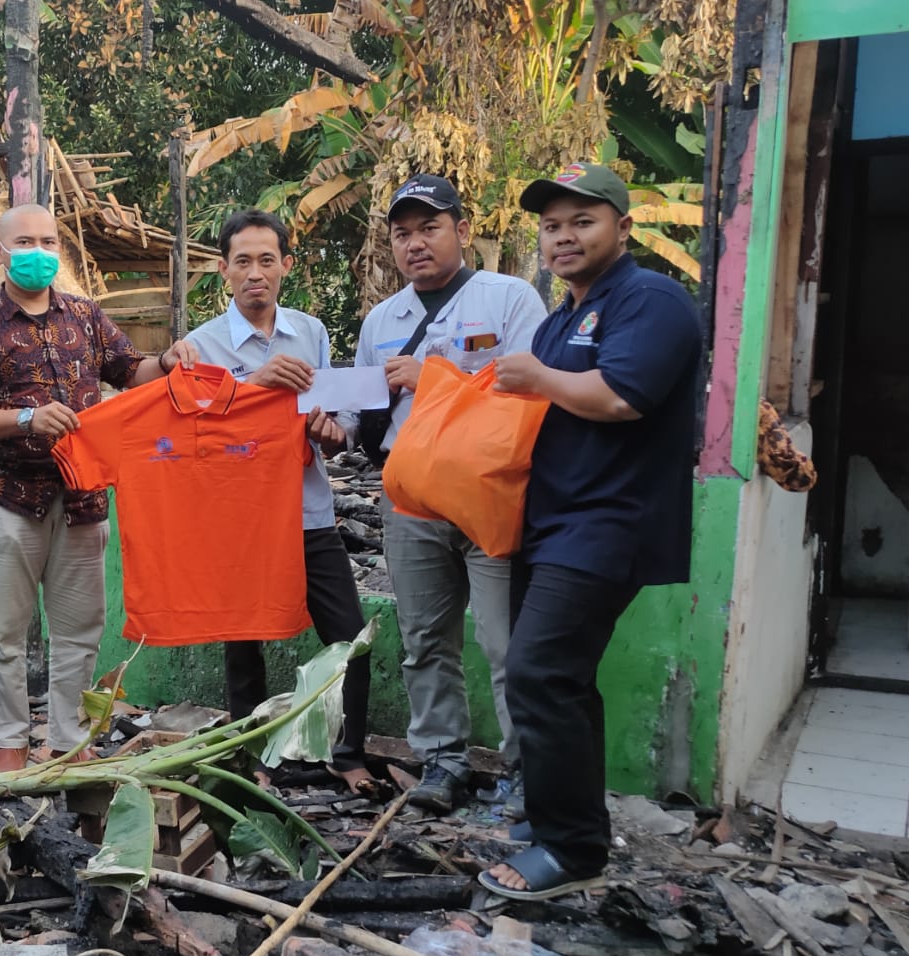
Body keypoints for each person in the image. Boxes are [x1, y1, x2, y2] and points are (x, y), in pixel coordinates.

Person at [481, 162, 700, 900]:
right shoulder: (561, 317)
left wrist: (536, 378)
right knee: (552, 676)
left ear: (623, 227)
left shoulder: (652, 301)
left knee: (543, 672)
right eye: (551, 225)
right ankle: (553, 818)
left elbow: (620, 399)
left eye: (583, 220)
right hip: (551, 523)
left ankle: (572, 850)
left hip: (610, 522)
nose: (564, 236)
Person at [0, 203, 198, 774]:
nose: (39, 252)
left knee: (80, 629)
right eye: (25, 242)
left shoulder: (84, 316)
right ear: (0, 253)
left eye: (48, 241)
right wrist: (27, 419)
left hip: (82, 497)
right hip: (7, 496)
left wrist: (168, 359)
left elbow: (130, 370)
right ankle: (9, 743)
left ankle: (67, 741)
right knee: (7, 632)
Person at [347, 176, 545, 814]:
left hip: (491, 497)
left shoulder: (510, 299)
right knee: (424, 640)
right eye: (402, 234)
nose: (415, 244)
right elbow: (362, 414)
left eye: (429, 228)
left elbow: (531, 393)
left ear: (462, 229)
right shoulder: (382, 320)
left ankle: (525, 772)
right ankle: (442, 761)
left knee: (505, 641)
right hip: (410, 504)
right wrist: (330, 423)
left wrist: (435, 378)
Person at [184, 208, 374, 794]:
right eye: (243, 261)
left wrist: (332, 429)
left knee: (348, 638)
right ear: (224, 270)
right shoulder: (200, 346)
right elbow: (195, 432)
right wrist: (253, 385)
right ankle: (251, 758)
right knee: (244, 645)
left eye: (267, 260)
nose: (255, 273)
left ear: (286, 266)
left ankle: (348, 755)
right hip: (239, 520)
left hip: (308, 511)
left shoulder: (311, 333)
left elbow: (339, 411)